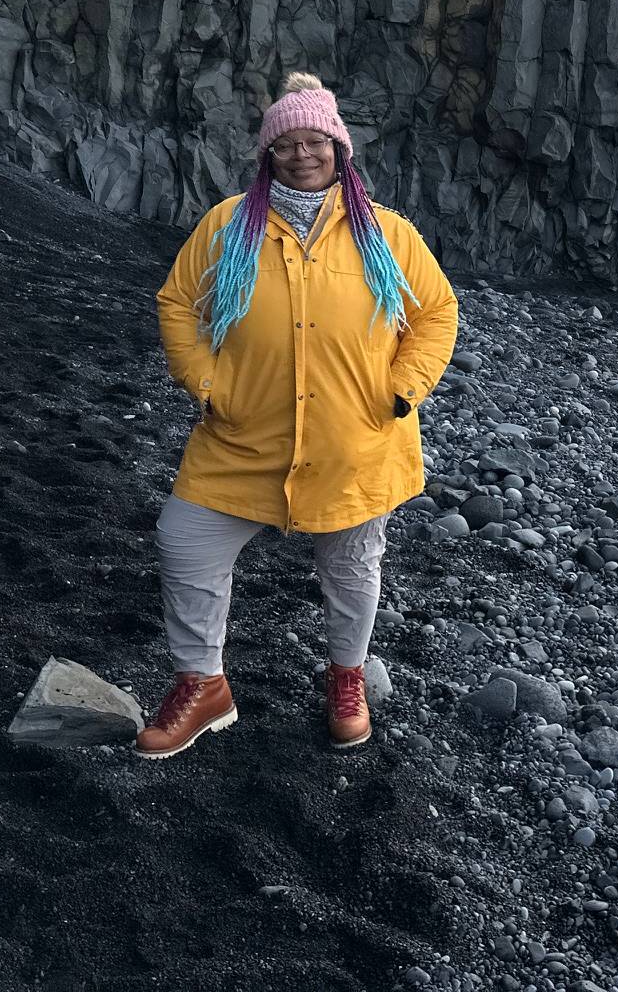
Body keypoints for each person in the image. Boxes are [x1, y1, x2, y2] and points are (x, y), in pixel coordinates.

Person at [136, 72, 458, 757]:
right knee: (184, 543)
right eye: (287, 144)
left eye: (315, 140)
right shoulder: (228, 225)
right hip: (242, 438)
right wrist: (205, 384)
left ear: (339, 148)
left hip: (355, 443)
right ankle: (203, 686)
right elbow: (176, 304)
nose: (302, 154)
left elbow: (437, 312)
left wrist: (404, 389)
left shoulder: (389, 235)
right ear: (268, 155)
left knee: (351, 567)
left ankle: (347, 678)